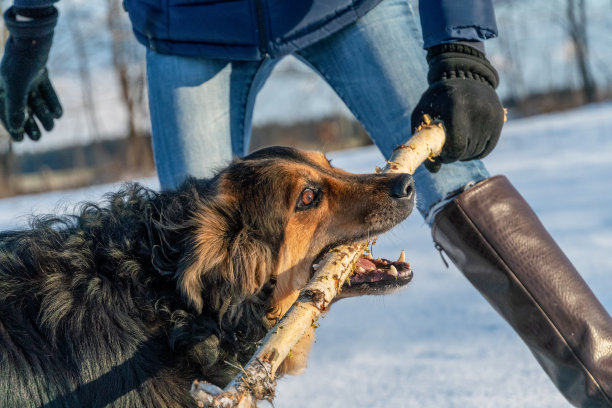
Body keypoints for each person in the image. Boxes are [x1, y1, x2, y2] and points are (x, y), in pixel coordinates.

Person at [1, 0, 611, 406]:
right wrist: (31, 18)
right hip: (187, 20)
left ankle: (604, 378)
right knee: (186, 282)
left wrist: (460, 45)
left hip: (343, 6)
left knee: (456, 178)